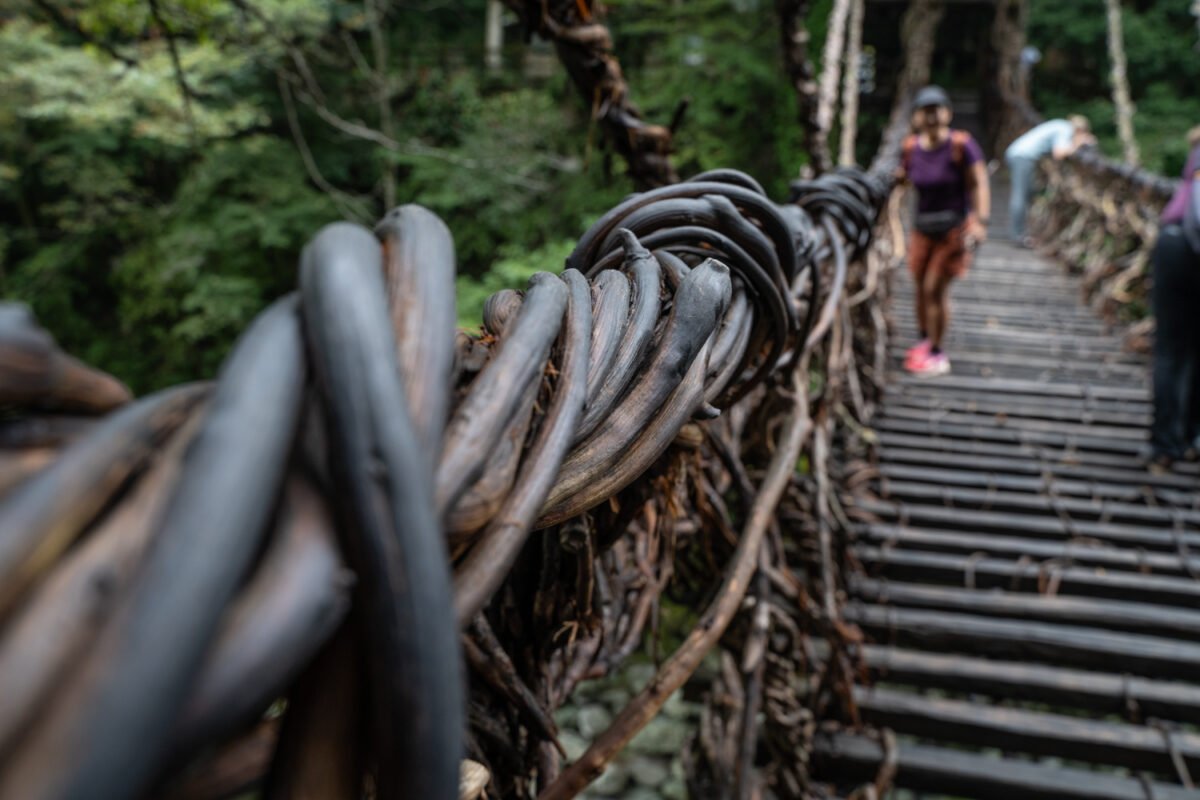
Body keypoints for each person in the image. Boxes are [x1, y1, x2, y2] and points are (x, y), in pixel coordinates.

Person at [894, 85, 991, 377]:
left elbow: (979, 182)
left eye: (937, 109)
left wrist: (980, 220)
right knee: (919, 288)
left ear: (947, 113)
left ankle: (937, 352)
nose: (933, 115)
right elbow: (905, 178)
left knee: (934, 288)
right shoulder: (911, 147)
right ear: (917, 117)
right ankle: (925, 340)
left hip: (953, 230)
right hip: (922, 228)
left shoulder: (962, 145)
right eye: (926, 110)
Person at [1146, 125, 1200, 473]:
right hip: (1190, 248)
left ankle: (1166, 445)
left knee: (1170, 350)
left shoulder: (1195, 154)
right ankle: (1187, 438)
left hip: (1173, 244)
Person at [1004, 115, 1095, 246]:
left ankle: (1021, 230)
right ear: (1080, 130)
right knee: (1020, 196)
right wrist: (1079, 144)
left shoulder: (1060, 125)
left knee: (1029, 192)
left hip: (1020, 155)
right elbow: (1059, 153)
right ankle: (1017, 235)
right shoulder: (1065, 129)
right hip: (1022, 157)